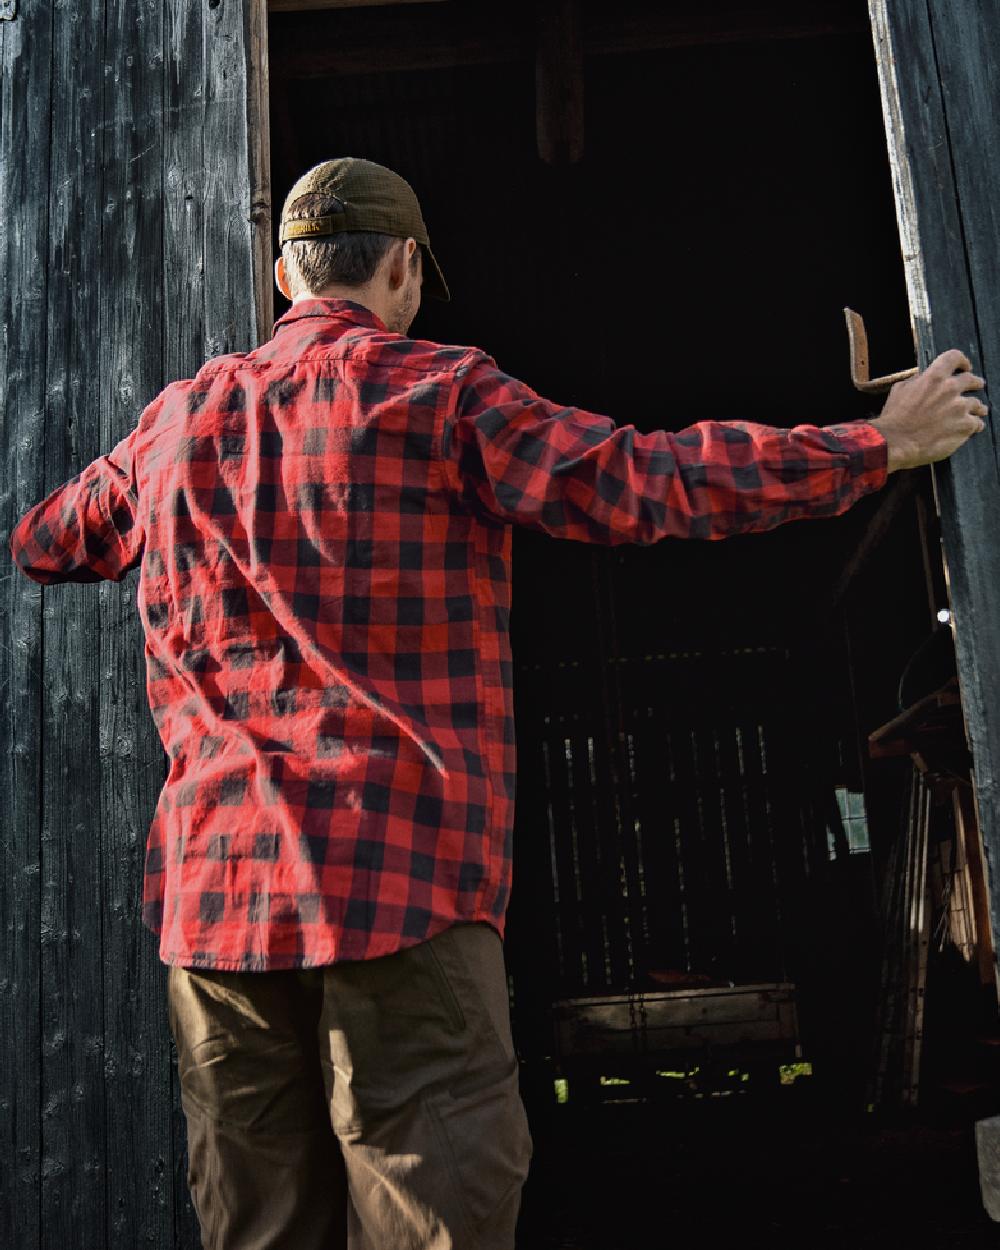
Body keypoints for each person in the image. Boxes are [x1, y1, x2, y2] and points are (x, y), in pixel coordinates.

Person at [9, 156, 987, 1250]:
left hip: (219, 906)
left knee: (257, 1228)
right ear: (405, 269)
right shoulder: (442, 394)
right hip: (402, 887)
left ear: (284, 274)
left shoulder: (173, 424)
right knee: (434, 1213)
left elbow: (48, 541)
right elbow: (643, 481)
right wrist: (876, 444)